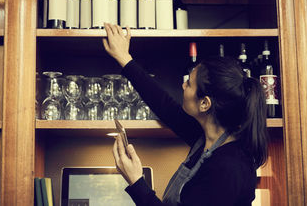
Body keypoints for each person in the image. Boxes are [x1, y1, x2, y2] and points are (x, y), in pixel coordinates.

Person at [102, 23, 268, 206]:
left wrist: (136, 181)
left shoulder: (229, 168)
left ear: (204, 103)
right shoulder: (206, 139)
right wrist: (124, 58)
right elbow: (165, 105)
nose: (182, 86)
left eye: (189, 83)